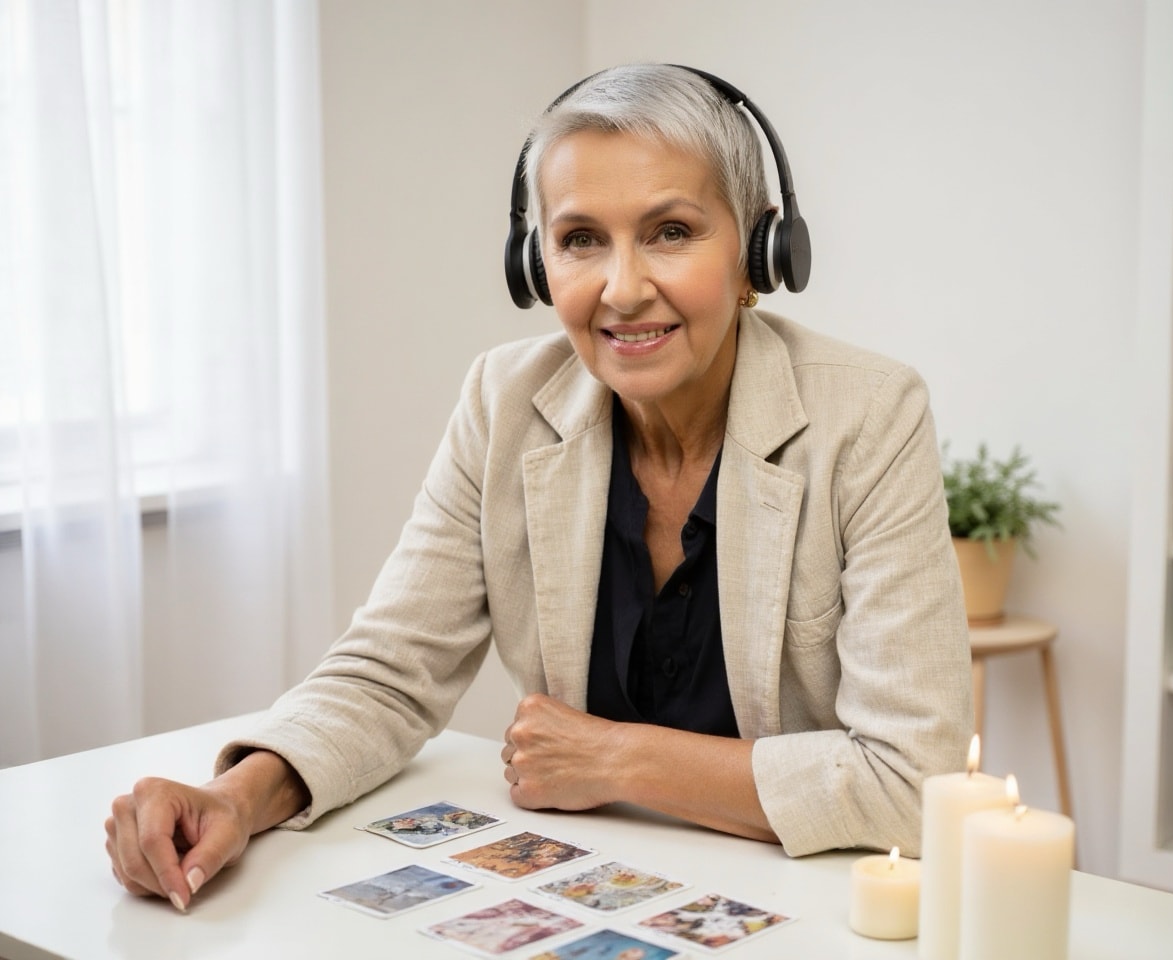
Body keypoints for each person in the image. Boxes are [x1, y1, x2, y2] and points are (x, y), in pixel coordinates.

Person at [104, 63, 973, 913]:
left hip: (808, 907)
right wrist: (240, 798)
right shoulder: (505, 401)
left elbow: (913, 778)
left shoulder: (868, 416)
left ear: (758, 255)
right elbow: (390, 673)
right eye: (580, 239)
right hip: (598, 893)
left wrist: (619, 760)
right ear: (537, 262)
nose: (623, 290)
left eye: (671, 231)